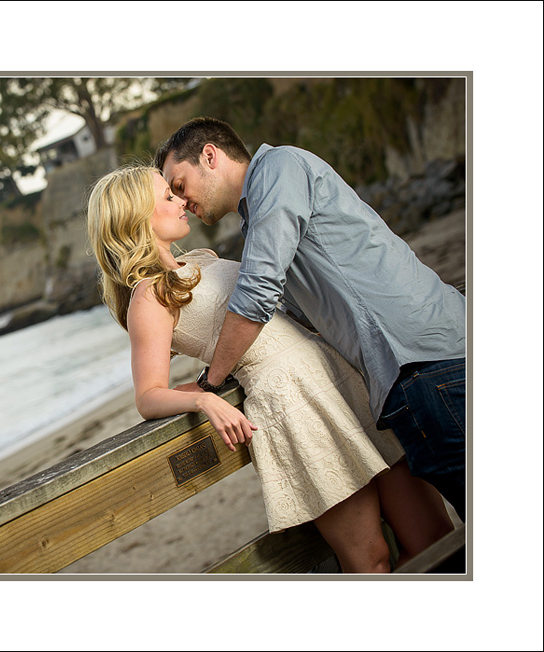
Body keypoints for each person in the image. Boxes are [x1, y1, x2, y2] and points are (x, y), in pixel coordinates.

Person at [86, 165, 454, 573]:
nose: (181, 202)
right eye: (167, 197)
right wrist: (207, 402)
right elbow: (148, 395)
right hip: (292, 407)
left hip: (340, 377)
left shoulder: (202, 259)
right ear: (137, 216)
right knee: (370, 562)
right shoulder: (148, 297)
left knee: (432, 536)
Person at [155, 117, 467, 521]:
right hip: (417, 365)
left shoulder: (277, 170)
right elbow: (301, 317)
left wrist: (210, 382)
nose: (182, 202)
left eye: (179, 185)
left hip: (422, 362)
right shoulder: (262, 216)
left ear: (210, 156)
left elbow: (256, 294)